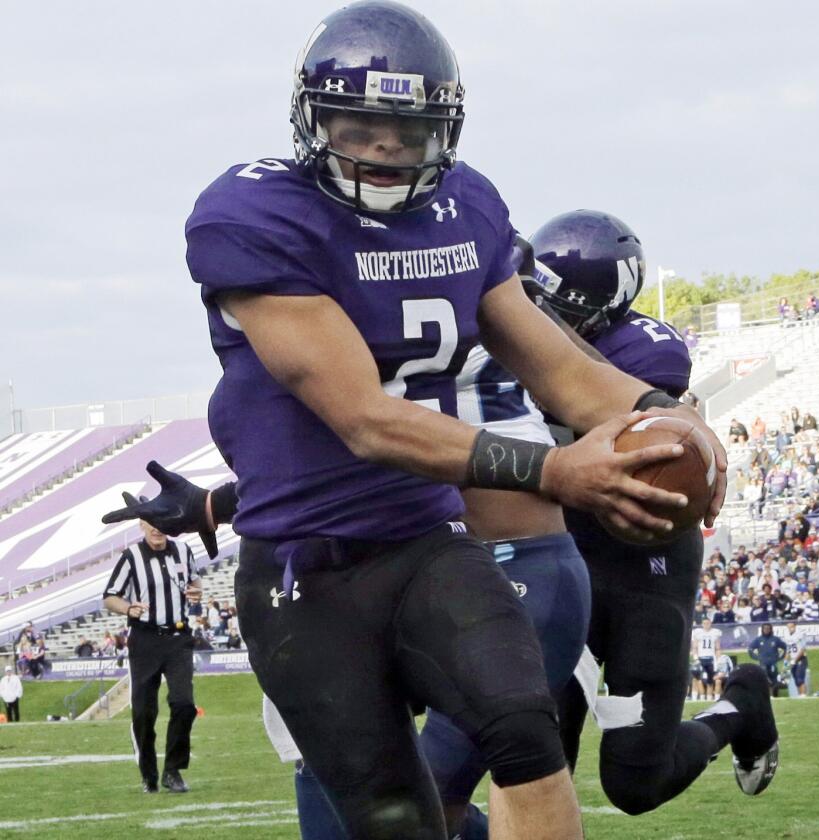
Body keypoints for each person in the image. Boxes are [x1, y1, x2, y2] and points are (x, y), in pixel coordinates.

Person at [128, 5, 727, 837]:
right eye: (360, 123)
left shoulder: (466, 207)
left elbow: (561, 367)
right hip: (308, 569)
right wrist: (555, 471)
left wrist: (667, 415)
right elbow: (366, 420)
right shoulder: (257, 215)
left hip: (426, 542)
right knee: (393, 817)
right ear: (314, 119)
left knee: (526, 732)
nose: (382, 146)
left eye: (406, 130)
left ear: (443, 130)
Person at [525, 211, 778, 812]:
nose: (543, 318)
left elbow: (603, 414)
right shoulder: (518, 338)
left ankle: (739, 706)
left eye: (559, 307)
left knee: (637, 783)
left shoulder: (647, 349)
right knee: (534, 758)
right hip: (566, 560)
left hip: (646, 567)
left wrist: (547, 334)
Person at [102, 515, 202, 793]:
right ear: (142, 526)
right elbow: (110, 596)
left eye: (161, 521)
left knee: (184, 704)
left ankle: (173, 770)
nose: (157, 528)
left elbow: (195, 583)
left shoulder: (183, 550)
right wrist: (127, 608)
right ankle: (149, 774)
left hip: (178, 637)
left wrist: (195, 594)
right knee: (145, 713)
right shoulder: (131, 556)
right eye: (150, 523)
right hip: (145, 639)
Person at [748, 624, 788, 695]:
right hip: (763, 663)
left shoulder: (775, 639)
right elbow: (750, 649)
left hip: (773, 663)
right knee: (765, 678)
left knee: (774, 679)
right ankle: (767, 695)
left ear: (771, 629)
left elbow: (785, 647)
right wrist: (756, 657)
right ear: (762, 630)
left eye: (768, 629)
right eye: (765, 629)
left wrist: (780, 657)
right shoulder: (758, 639)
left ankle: (775, 695)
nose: (766, 630)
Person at [692, 618, 722, 701]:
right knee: (696, 678)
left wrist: (718, 659)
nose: (706, 625)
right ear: (702, 624)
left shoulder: (715, 633)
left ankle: (709, 699)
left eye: (708, 623)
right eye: (704, 623)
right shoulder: (698, 633)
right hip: (700, 658)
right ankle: (696, 699)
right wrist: (695, 658)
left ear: (710, 623)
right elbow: (694, 647)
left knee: (710, 679)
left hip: (711, 658)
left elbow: (718, 648)